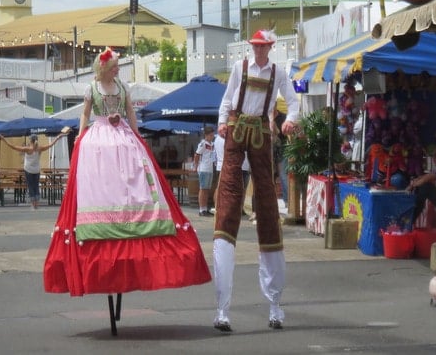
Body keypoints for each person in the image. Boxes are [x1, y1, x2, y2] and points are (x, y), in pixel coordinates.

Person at [43, 47, 211, 300]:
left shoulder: (122, 87)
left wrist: (135, 132)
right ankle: (106, 210)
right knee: (100, 175)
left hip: (121, 133)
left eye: (117, 66)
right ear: (104, 68)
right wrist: (80, 133)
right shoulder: (92, 88)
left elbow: (131, 111)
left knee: (133, 172)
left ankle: (133, 210)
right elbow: (86, 113)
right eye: (114, 66)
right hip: (100, 135)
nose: (117, 69)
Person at [213, 29, 299, 332]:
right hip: (237, 132)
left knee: (267, 206)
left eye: (264, 47)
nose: (259, 51)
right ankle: (222, 310)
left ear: (271, 47)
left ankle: (275, 305)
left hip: (262, 134)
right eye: (256, 47)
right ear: (252, 47)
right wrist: (222, 124)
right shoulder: (240, 68)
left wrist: (290, 120)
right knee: (228, 204)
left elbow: (293, 100)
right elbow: (226, 100)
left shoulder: (278, 72)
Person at [0, 132, 67, 210]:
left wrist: (4, 139)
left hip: (28, 170)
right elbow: (50, 145)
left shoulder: (27, 149)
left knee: (31, 186)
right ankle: (37, 204)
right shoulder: (40, 148)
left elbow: (13, 147)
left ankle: (33, 205)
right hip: (36, 170)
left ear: (30, 140)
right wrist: (57, 137)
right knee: (36, 186)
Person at [406, 150, 436, 227]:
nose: (434, 160)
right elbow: (423, 177)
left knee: (425, 187)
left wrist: (412, 186)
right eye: (433, 158)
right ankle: (410, 219)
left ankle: (410, 219)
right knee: (422, 188)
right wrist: (415, 181)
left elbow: (425, 179)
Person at [194, 126, 216, 217]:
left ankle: (205, 208)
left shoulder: (212, 144)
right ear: (206, 135)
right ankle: (201, 209)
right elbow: (197, 154)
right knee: (203, 189)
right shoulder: (203, 144)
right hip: (203, 168)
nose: (212, 136)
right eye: (210, 135)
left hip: (210, 168)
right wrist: (196, 165)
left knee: (207, 190)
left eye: (213, 135)